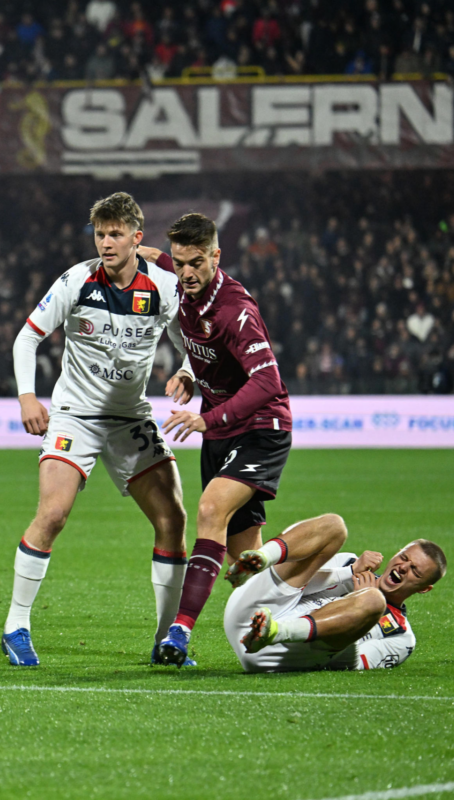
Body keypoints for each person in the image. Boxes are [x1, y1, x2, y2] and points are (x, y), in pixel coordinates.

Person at [3, 192, 196, 668]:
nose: (106, 243)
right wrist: (28, 396)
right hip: (76, 415)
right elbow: (28, 336)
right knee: (53, 514)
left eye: (115, 234)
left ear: (137, 237)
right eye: (100, 233)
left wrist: (188, 372)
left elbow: (196, 338)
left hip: (131, 418)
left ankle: (165, 642)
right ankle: (15, 626)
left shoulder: (165, 287)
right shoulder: (76, 280)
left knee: (173, 520)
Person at [137, 212, 292, 667]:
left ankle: (178, 634)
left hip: (260, 428)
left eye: (197, 262)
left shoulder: (235, 311)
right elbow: (163, 261)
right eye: (181, 262)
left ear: (216, 257)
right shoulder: (182, 278)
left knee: (208, 510)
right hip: (224, 430)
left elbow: (269, 382)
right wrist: (189, 372)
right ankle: (288, 628)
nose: (186, 272)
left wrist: (211, 417)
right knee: (248, 561)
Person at [223, 513, 447, 672]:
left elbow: (353, 664)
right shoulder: (350, 562)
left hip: (274, 654)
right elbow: (299, 580)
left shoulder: (401, 637)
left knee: (373, 601)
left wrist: (361, 612)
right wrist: (349, 572)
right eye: (404, 558)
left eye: (415, 571)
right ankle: (261, 559)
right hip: (252, 610)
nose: (403, 568)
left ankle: (276, 631)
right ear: (397, 553)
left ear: (425, 588)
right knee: (335, 524)